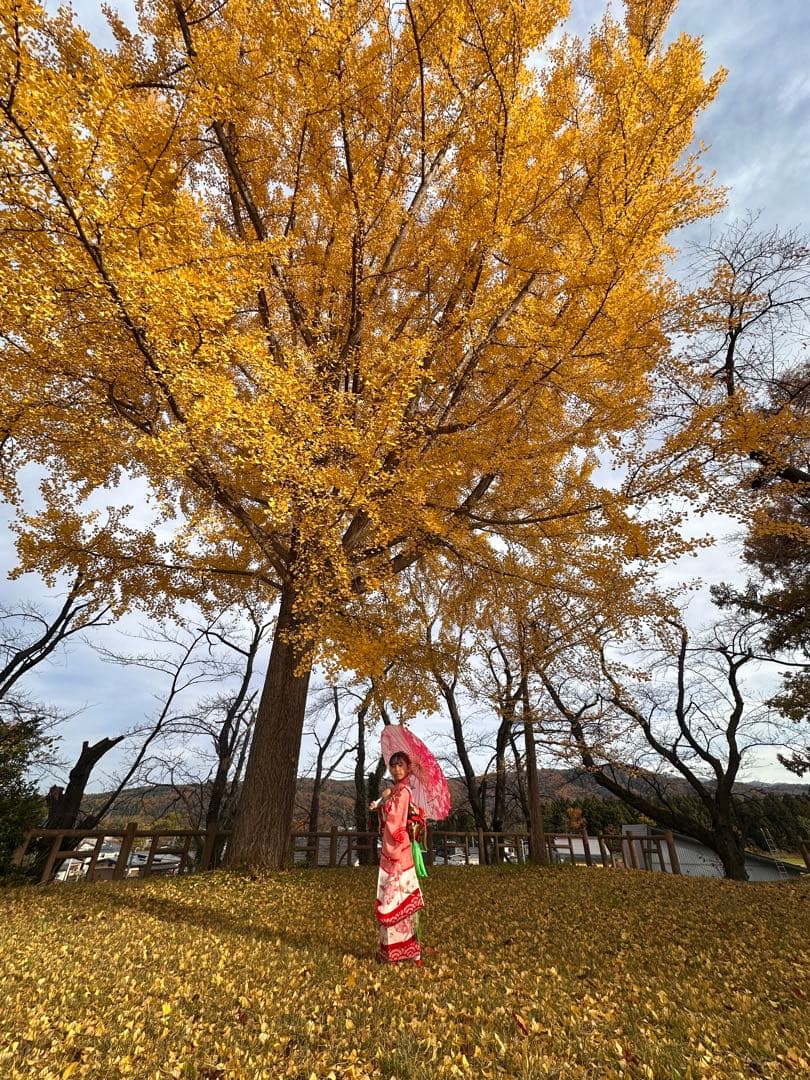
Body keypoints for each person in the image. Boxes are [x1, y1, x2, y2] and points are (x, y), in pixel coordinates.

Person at [369, 752, 425, 964]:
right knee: (392, 897)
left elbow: (395, 819)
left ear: (407, 768)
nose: (396, 769)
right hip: (394, 848)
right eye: (393, 766)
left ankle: (407, 951)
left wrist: (386, 802)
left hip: (398, 850)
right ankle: (393, 950)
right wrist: (381, 804)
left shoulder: (403, 792)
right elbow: (388, 817)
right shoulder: (396, 791)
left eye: (400, 765)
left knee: (395, 898)